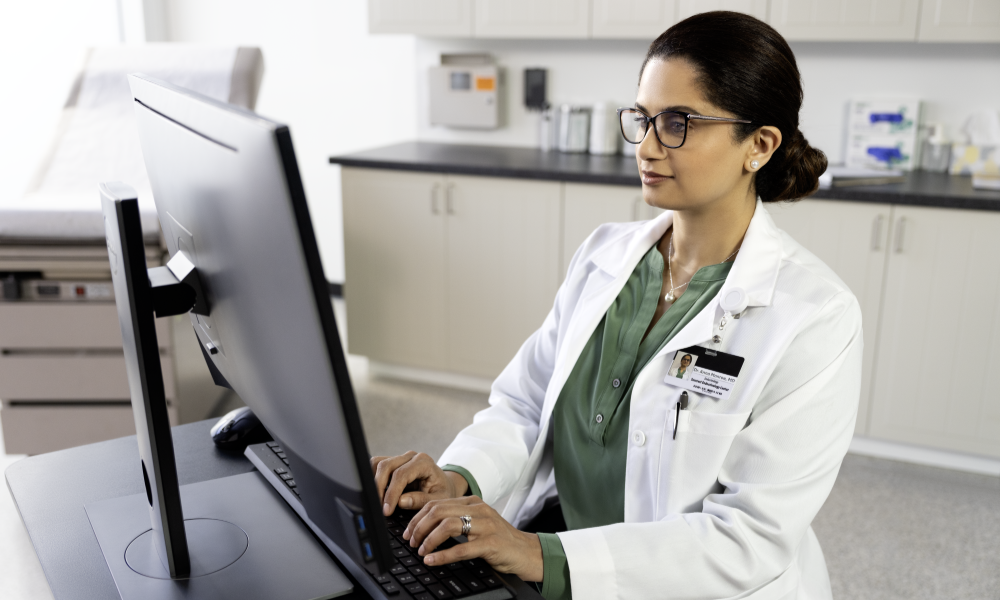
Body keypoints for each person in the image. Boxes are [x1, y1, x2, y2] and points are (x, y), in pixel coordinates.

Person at [369, 11, 860, 600]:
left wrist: (534, 552)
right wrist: (459, 477)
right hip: (561, 550)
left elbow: (747, 539)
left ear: (759, 144)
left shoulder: (815, 316)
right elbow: (527, 405)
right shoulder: (607, 255)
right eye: (643, 118)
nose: (647, 146)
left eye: (678, 123)